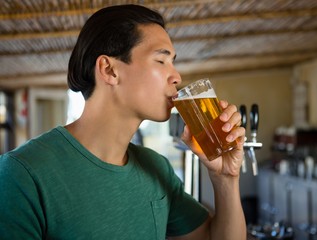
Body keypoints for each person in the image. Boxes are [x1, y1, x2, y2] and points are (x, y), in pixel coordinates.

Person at [0, 4, 246, 240]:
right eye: (161, 60)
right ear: (109, 70)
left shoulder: (156, 168)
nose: (177, 76)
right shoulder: (21, 174)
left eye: (173, 61)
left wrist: (225, 178)